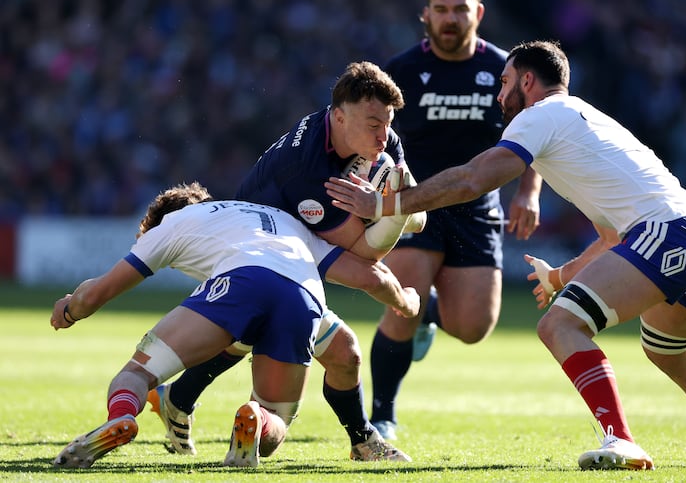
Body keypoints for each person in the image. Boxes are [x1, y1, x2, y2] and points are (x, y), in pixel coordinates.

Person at [326, 40, 686, 470]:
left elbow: (472, 179)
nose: (498, 94)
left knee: (560, 325)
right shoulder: (581, 119)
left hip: (666, 234)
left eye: (503, 83)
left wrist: (386, 205)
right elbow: (609, 236)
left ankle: (620, 439)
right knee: (669, 354)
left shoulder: (539, 114)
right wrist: (560, 276)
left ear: (527, 81)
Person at [147, 61, 424, 461]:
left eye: (387, 124)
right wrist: (405, 294)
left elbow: (413, 206)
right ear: (341, 117)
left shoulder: (375, 134)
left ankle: (180, 397)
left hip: (282, 251)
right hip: (266, 252)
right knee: (331, 337)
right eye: (374, 125)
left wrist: (390, 206)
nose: (384, 136)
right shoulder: (307, 173)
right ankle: (264, 423)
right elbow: (368, 256)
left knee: (327, 349)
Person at [51, 183, 420, 469]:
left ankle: (123, 418)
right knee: (279, 419)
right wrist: (405, 300)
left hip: (240, 285)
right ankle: (256, 418)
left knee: (136, 373)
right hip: (303, 297)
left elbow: (100, 291)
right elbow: (364, 276)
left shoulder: (173, 225)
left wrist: (70, 310)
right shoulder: (279, 219)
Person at [366, 0, 542, 440]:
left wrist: (528, 191)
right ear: (425, 14)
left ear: (478, 12)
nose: (450, 18)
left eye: (459, 9)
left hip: (478, 208)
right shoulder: (400, 72)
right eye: (440, 9)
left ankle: (430, 313)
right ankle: (381, 416)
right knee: (402, 304)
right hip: (414, 206)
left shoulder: (506, 71)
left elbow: (537, 135)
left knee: (472, 327)